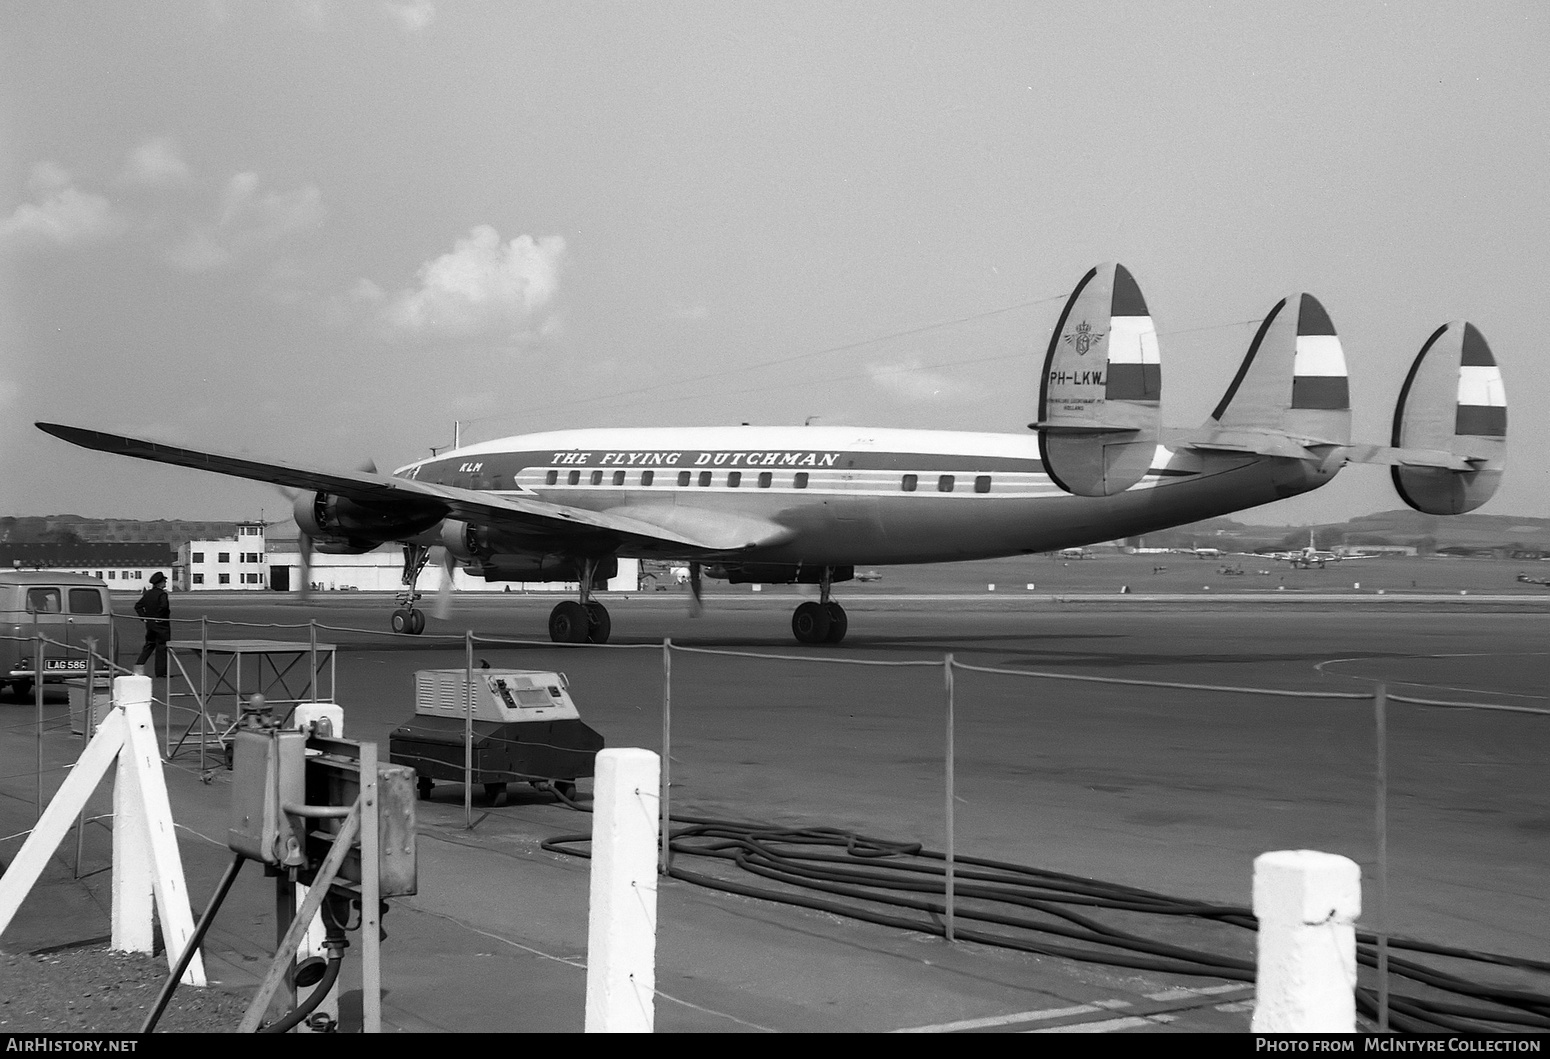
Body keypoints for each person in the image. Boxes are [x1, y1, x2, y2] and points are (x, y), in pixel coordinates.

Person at [134, 572, 172, 676]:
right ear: (159, 583)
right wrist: (158, 617)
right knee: (162, 648)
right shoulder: (162, 594)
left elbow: (138, 606)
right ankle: (161, 672)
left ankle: (138, 668)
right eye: (164, 581)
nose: (165, 582)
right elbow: (164, 607)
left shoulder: (148, 594)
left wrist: (144, 617)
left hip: (150, 625)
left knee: (148, 647)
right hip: (161, 626)